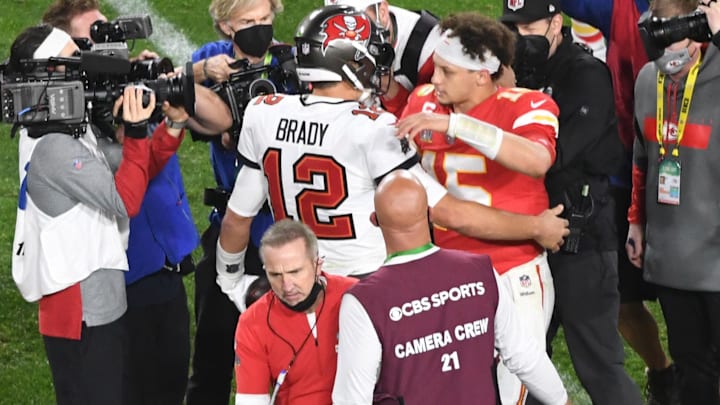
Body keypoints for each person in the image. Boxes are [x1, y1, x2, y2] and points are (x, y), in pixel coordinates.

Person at [217, 5, 569, 310]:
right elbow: (449, 212)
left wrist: (231, 281)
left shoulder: (265, 112)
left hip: (302, 287)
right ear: (354, 62)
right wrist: (535, 227)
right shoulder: (376, 129)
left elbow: (236, 219)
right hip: (370, 288)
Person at [8, 25, 189, 405]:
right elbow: (125, 200)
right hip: (80, 309)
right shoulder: (53, 147)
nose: (85, 66)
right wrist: (136, 128)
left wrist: (171, 126)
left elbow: (132, 172)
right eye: (74, 59)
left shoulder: (62, 128)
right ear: (48, 75)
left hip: (95, 299)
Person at [395, 12, 560, 404]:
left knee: (514, 386)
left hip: (511, 269)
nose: (434, 80)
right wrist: (534, 227)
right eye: (436, 68)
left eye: (447, 72)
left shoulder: (529, 105)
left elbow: (537, 160)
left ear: (481, 75)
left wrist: (457, 125)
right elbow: (407, 179)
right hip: (443, 269)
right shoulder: (422, 100)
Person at [500, 1, 644, 404]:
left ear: (556, 24)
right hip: (526, 243)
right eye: (512, 27)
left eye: (530, 26)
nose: (520, 37)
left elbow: (551, 157)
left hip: (583, 242)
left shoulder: (585, 75)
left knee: (598, 366)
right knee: (520, 364)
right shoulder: (511, 74)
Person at [332, 170, 570, 405]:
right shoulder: (482, 272)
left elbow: (351, 399)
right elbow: (526, 357)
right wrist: (562, 401)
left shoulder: (364, 301)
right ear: (429, 214)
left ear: (374, 220)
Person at [559, 1, 679, 403]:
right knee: (622, 297)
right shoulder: (620, 8)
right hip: (627, 168)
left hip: (697, 174)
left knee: (693, 296)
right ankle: (664, 372)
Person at [187, 0, 296, 402]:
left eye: (266, 19)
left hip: (282, 226)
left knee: (289, 348)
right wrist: (203, 74)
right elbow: (170, 82)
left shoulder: (290, 61)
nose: (260, 28)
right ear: (224, 24)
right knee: (213, 346)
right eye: (248, 21)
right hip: (229, 220)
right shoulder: (208, 60)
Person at [629, 0, 720, 403]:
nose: (671, 60)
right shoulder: (648, 81)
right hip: (673, 259)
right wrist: (636, 222)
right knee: (692, 365)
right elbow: (641, 157)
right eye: (661, 46)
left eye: (679, 46)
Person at [234, 219, 356, 405]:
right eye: (275, 275)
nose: (287, 286)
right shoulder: (252, 323)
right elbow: (251, 401)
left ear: (317, 265)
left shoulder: (356, 297)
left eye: (295, 272)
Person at [323, 0, 441, 115]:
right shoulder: (328, 46)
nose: (350, 38)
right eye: (338, 27)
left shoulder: (431, 48)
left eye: (359, 23)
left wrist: (388, 88)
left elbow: (431, 125)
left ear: (383, 12)